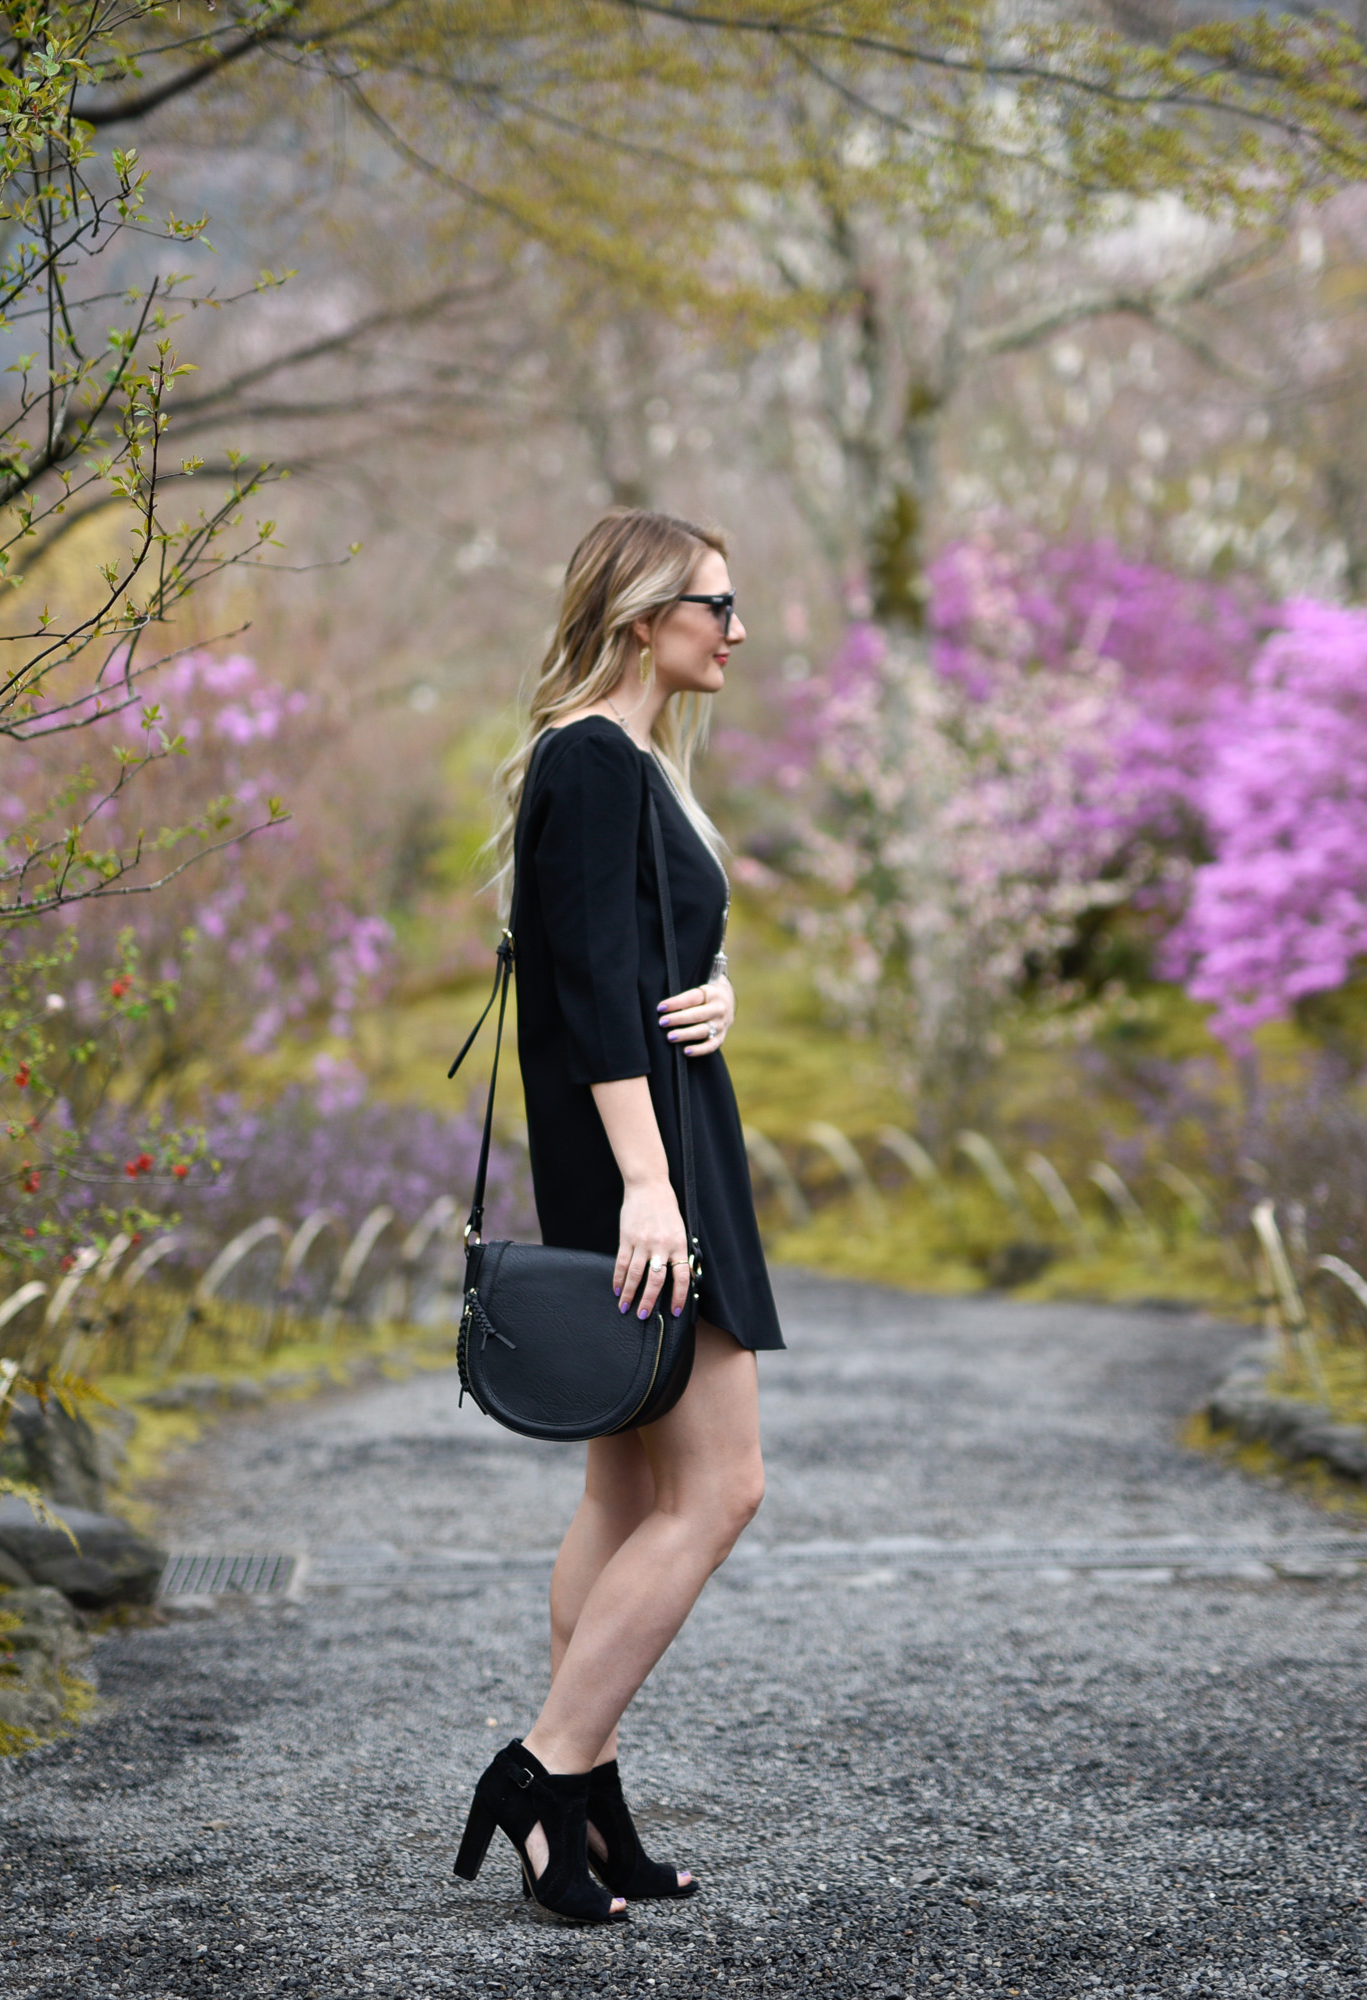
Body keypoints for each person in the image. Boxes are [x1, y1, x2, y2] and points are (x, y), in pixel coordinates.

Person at [453, 510, 784, 1925]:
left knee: (626, 1490)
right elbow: (583, 996)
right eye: (717, 603)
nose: (737, 627)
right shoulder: (591, 756)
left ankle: (584, 1807)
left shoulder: (627, 761)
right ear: (646, 615)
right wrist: (650, 1186)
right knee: (719, 1488)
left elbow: (636, 964)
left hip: (656, 1135)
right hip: (645, 1162)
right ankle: (543, 1770)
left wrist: (720, 995)